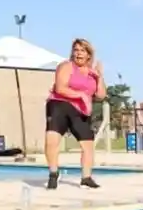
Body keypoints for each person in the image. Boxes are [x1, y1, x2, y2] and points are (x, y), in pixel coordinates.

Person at [45, 38, 105, 190]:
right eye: (76, 50)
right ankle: (53, 174)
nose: (78, 53)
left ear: (88, 55)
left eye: (82, 51)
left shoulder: (92, 73)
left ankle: (86, 178)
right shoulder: (66, 66)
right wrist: (81, 95)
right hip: (60, 105)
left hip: (81, 111)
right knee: (52, 140)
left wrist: (99, 77)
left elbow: (100, 95)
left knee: (88, 145)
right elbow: (60, 88)